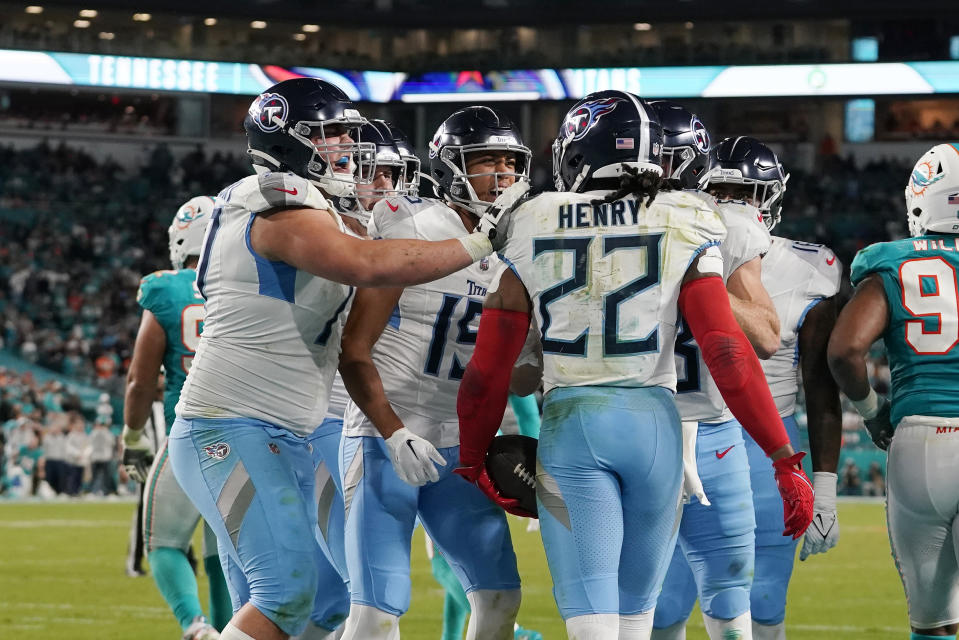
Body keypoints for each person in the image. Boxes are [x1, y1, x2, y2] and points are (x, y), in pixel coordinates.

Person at [456, 90, 814, 640]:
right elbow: (725, 350)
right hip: (656, 427)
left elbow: (487, 371)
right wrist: (784, 457)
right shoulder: (686, 216)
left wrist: (474, 455)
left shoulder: (533, 217)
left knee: (592, 620)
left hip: (573, 425)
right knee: (636, 623)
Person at [163, 78, 507, 640]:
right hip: (229, 422)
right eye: (332, 134)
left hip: (291, 428)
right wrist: (481, 242)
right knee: (284, 592)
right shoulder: (273, 204)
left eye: (349, 132)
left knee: (323, 598)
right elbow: (368, 264)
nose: (349, 145)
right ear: (287, 139)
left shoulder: (322, 209)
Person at [337, 105, 533, 640]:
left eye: (510, 164)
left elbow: (519, 379)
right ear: (451, 167)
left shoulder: (523, 246)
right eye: (485, 162)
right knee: (377, 612)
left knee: (500, 598)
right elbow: (354, 350)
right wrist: (392, 432)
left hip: (462, 445)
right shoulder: (413, 223)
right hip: (385, 437)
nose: (503, 176)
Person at [648, 119, 781, 638]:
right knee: (641, 606)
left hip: (707, 423)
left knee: (729, 597)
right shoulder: (599, 223)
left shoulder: (726, 227)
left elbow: (767, 336)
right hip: (638, 420)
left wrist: (697, 280)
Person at [828, 143, 959, 640]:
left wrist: (873, 411)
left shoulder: (893, 262)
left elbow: (844, 351)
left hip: (920, 442)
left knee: (932, 625)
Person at [733, 139, 844, 640]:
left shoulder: (808, 268)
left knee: (765, 600)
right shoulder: (671, 246)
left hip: (771, 438)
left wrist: (825, 488)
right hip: (684, 426)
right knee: (664, 600)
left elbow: (821, 388)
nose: (736, 207)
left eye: (749, 194)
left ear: (773, 199)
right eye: (725, 191)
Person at [120, 195, 231, 640]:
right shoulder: (246, 285)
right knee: (223, 548)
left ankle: (196, 625)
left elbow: (139, 379)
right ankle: (232, 630)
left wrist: (131, 435)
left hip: (188, 434)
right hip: (247, 436)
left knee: (164, 541)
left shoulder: (165, 288)